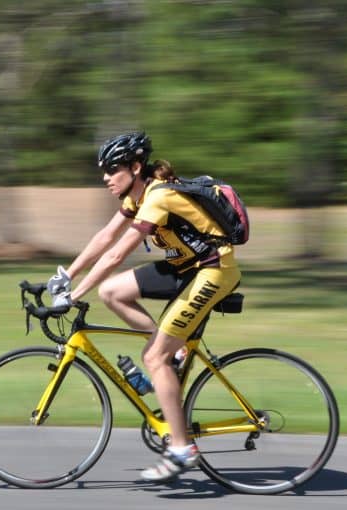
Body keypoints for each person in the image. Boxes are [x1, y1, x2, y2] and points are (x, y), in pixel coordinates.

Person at [47, 132, 241, 482]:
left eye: (113, 169)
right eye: (104, 170)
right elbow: (106, 237)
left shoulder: (158, 196)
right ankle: (176, 351)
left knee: (153, 358)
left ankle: (182, 449)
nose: (106, 177)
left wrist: (75, 296)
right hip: (185, 267)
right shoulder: (138, 195)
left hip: (212, 270)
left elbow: (118, 254)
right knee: (112, 292)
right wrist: (66, 276)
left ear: (136, 167)